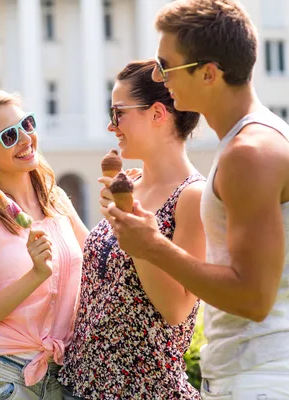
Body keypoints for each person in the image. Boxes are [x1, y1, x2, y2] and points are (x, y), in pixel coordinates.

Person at [107, 0, 289, 398]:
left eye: (167, 66)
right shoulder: (248, 142)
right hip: (249, 375)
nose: (161, 78)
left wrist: (152, 246)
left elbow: (253, 297)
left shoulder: (249, 153)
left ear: (209, 73)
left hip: (260, 378)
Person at [58, 60, 205, 399]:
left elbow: (177, 309)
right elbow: (105, 275)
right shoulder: (131, 184)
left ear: (157, 114)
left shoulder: (193, 196)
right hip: (80, 385)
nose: (112, 127)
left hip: (140, 390)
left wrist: (130, 225)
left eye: (118, 113)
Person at [0, 87, 88, 399]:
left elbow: (98, 260)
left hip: (60, 374)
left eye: (27, 124)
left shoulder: (57, 202)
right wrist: (35, 276)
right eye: (9, 136)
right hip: (1, 376)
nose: (26, 139)